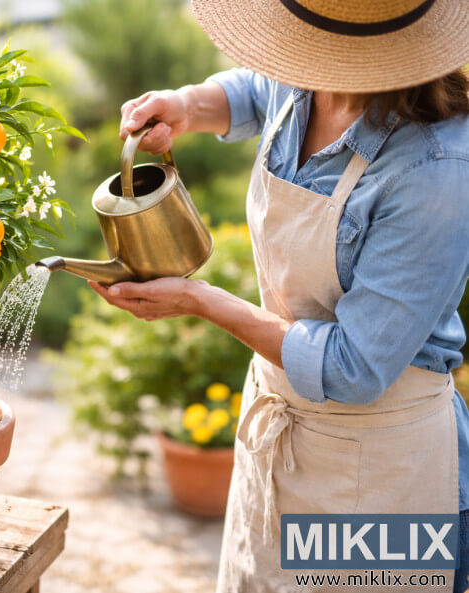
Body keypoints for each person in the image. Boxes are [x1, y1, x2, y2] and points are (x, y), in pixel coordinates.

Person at [97, 1, 469, 591]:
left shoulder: (438, 167)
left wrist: (202, 301)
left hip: (380, 466)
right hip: (283, 428)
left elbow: (355, 367)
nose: (299, 50)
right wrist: (188, 106)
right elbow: (252, 91)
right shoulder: (307, 71)